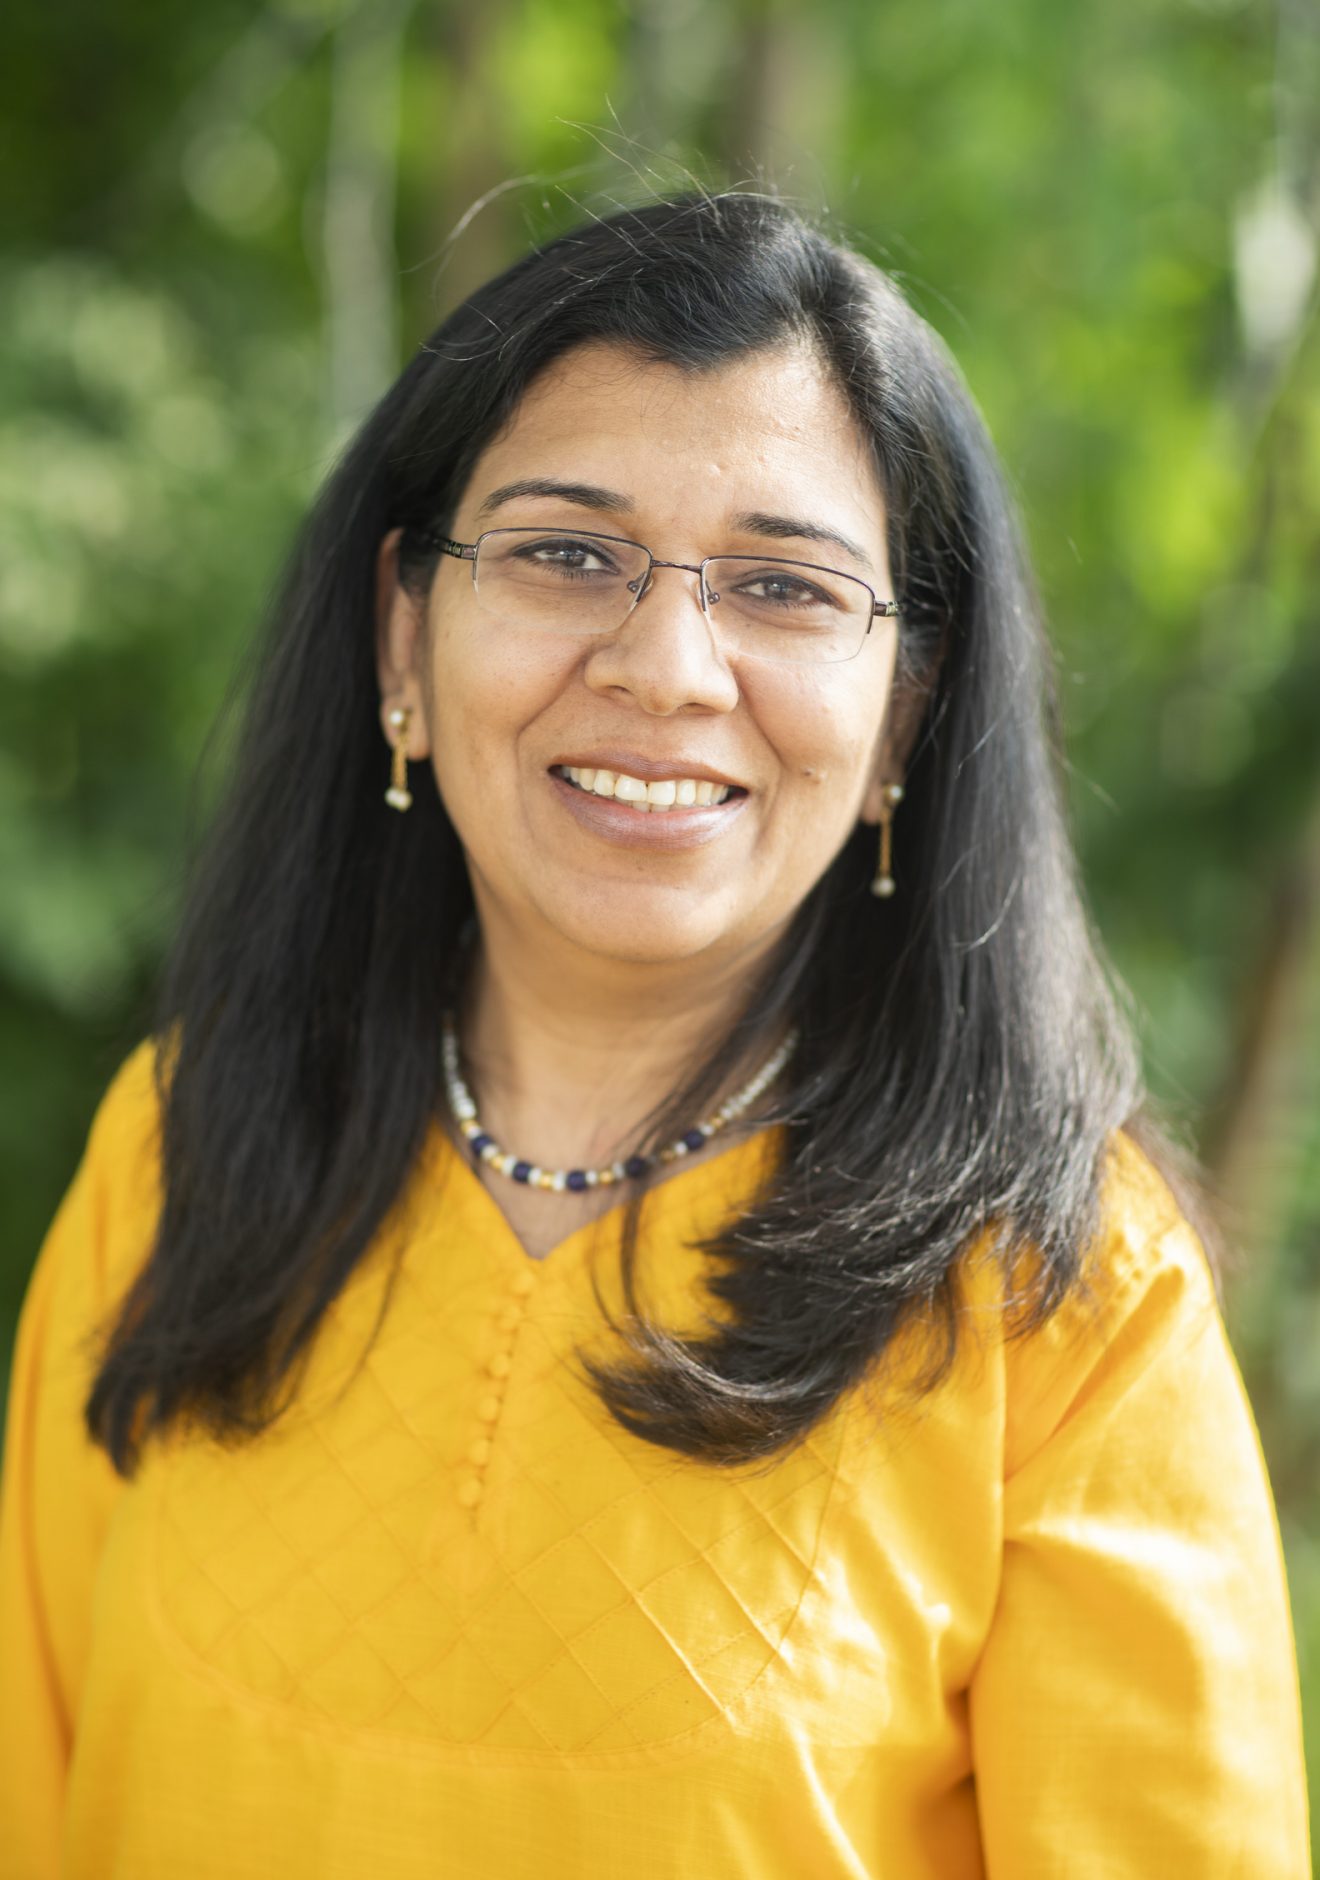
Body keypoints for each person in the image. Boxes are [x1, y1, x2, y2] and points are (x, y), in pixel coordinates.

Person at [0, 191, 1309, 1878]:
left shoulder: (1064, 1298)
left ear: (903, 714)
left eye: (783, 586)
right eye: (564, 554)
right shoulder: (182, 1151)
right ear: (403, 633)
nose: (667, 666)